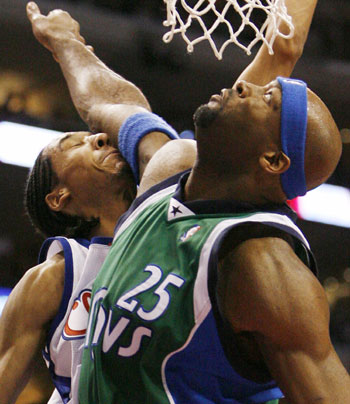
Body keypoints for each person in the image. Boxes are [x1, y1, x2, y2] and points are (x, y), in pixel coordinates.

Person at [0, 0, 320, 403]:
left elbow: (116, 106)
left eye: (95, 134)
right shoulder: (59, 275)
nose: (98, 137)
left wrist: (68, 43)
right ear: (59, 198)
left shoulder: (183, 194)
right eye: (73, 143)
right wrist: (66, 43)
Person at [79, 78, 350, 402]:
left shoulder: (263, 263)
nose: (243, 85)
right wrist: (63, 37)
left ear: (274, 160)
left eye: (268, 98)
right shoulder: (165, 176)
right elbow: (109, 100)